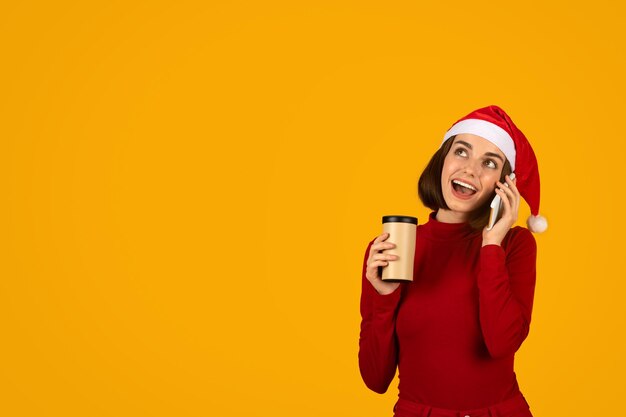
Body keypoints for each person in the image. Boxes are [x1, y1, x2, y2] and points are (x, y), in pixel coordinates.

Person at [358, 105, 547, 417]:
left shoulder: (514, 245)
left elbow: (502, 343)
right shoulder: (395, 246)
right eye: (461, 151)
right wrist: (384, 296)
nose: (470, 169)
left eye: (489, 162)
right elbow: (375, 378)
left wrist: (491, 244)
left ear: (504, 184)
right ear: (441, 161)